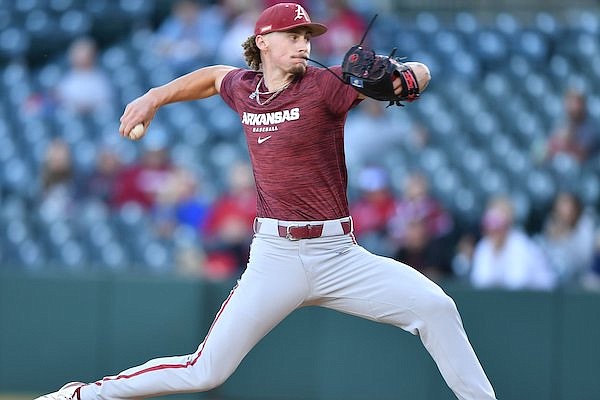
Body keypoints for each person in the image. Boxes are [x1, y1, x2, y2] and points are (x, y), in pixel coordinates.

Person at [38, 3, 496, 400]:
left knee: (437, 307)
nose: (303, 43)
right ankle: (82, 394)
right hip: (276, 258)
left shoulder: (326, 86)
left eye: (307, 36)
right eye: (293, 35)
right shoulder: (245, 89)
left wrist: (401, 78)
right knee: (206, 371)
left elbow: (422, 74)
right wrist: (154, 97)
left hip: (339, 254)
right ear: (264, 42)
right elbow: (213, 76)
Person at [470, 195, 555, 291]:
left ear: (508, 224)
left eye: (498, 225)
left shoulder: (521, 246)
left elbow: (516, 284)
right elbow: (480, 281)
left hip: (539, 299)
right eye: (490, 224)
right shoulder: (483, 246)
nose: (493, 230)